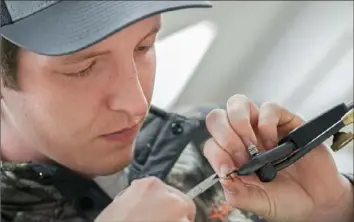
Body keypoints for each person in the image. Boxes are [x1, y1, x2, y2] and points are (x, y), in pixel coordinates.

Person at [1, 1, 353, 222]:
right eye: (83, 69)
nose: (137, 103)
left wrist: (333, 210)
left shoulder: (216, 147)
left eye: (145, 46)